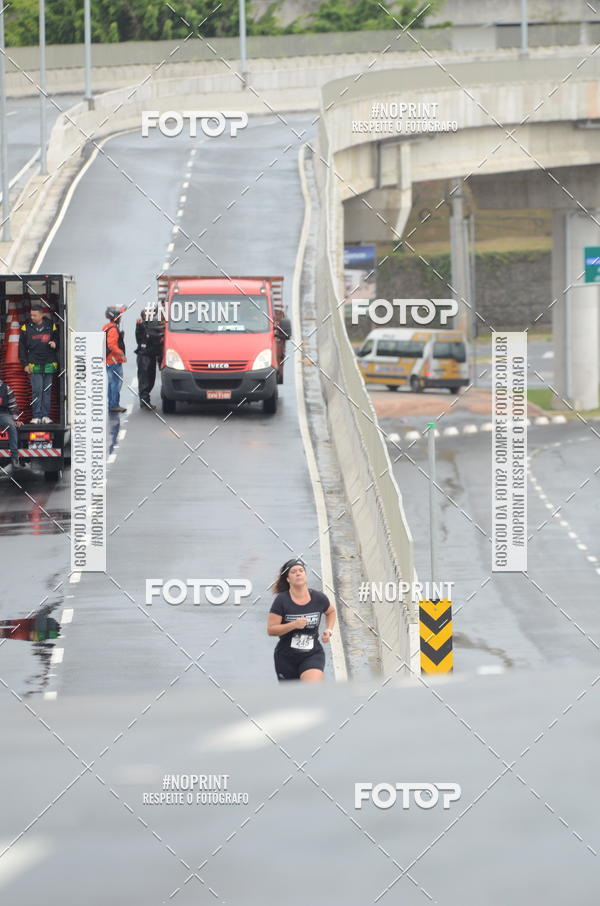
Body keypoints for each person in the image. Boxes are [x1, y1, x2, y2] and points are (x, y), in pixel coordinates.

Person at [267, 558, 336, 682]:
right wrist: (293, 625)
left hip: (312, 654)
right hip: (286, 657)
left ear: (306, 575)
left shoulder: (318, 598)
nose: (298, 573)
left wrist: (329, 630)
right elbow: (271, 630)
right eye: (293, 572)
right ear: (288, 579)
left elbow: (331, 611)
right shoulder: (281, 601)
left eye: (301, 570)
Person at [18, 300, 58, 424]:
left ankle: (45, 416)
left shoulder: (51, 325)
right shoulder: (26, 327)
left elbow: (59, 339)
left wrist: (55, 343)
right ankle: (36, 416)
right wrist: (24, 364)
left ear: (41, 315)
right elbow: (22, 348)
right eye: (31, 315)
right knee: (37, 390)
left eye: (35, 315)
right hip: (34, 364)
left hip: (49, 363)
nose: (32, 317)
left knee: (47, 391)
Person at [135, 306, 164, 410]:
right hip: (144, 357)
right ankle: (144, 402)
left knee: (151, 380)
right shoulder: (142, 326)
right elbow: (141, 337)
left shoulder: (153, 325)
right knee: (145, 381)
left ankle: (145, 400)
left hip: (151, 356)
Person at [103, 306, 127, 413]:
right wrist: (121, 353)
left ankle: (112, 404)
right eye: (119, 316)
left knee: (112, 382)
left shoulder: (107, 327)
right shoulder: (113, 329)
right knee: (115, 383)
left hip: (109, 360)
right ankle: (114, 405)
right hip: (113, 360)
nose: (121, 318)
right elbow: (112, 345)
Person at [0, 379, 23, 469]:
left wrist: (16, 419)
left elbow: (13, 405)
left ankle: (14, 456)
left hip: (3, 414)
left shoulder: (6, 388)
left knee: (12, 426)